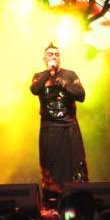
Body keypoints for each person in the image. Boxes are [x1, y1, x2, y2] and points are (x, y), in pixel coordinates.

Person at [30, 43, 87, 196]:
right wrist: (49, 73)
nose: (54, 57)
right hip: (49, 128)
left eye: (56, 54)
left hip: (69, 127)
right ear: (44, 58)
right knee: (51, 165)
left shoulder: (70, 75)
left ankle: (77, 197)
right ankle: (52, 199)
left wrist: (65, 85)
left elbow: (81, 96)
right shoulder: (38, 76)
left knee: (75, 164)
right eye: (50, 54)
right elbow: (34, 90)